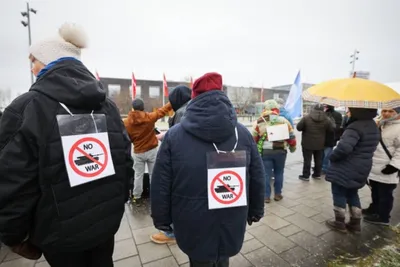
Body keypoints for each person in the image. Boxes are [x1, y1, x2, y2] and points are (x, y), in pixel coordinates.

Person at [0, 23, 133, 266]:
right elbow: (125, 161)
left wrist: (13, 235)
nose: (32, 68)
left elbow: (13, 182)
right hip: (106, 224)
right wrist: (118, 202)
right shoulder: (109, 107)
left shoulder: (26, 109)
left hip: (59, 235)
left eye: (35, 61)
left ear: (50, 61)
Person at [150, 72, 265, 267]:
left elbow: (161, 181)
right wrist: (256, 209)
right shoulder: (243, 133)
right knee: (223, 257)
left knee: (199, 260)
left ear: (194, 97)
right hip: (232, 215)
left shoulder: (174, 135)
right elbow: (257, 176)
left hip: (191, 218)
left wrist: (161, 218)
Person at [325, 108, 379, 233]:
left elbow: (344, 148)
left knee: (339, 192)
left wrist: (332, 156)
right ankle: (355, 224)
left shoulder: (354, 127)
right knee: (352, 193)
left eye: (350, 110)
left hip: (346, 166)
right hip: (363, 165)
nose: (348, 113)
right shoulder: (373, 125)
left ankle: (339, 223)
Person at [150, 85, 191, 244]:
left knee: (172, 194)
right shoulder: (190, 109)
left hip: (180, 162)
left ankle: (171, 232)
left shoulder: (182, 113)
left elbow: (180, 138)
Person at [124, 98, 172, 206]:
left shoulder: (126, 122)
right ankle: (155, 196)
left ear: (133, 108)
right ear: (143, 108)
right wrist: (172, 102)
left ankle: (136, 196)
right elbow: (163, 110)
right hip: (152, 150)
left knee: (138, 175)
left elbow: (127, 138)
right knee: (153, 175)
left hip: (138, 152)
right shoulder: (150, 118)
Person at [251, 99, 296, 203]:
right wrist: (292, 148)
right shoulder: (284, 121)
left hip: (265, 152)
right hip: (280, 152)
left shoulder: (259, 122)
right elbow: (292, 137)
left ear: (265, 109)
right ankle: (278, 194)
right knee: (279, 172)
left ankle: (266, 196)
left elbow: (253, 139)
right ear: (276, 109)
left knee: (266, 174)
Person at [363, 107, 400, 225]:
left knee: (386, 194)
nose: (386, 114)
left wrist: (394, 166)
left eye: (391, 111)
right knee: (375, 190)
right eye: (384, 111)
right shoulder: (380, 124)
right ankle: (374, 208)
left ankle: (383, 217)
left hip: (388, 167)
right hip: (375, 166)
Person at [297, 104, 334, 181]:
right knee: (318, 160)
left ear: (313, 109)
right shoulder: (326, 119)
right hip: (320, 143)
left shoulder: (306, 118)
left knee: (307, 160)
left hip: (307, 143)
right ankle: (317, 174)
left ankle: (306, 176)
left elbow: (298, 128)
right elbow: (331, 129)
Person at [322, 105, 343, 174]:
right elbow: (339, 126)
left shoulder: (324, 114)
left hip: (325, 137)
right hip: (333, 137)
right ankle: (324, 167)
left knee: (324, 154)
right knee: (327, 154)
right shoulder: (338, 114)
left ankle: (324, 168)